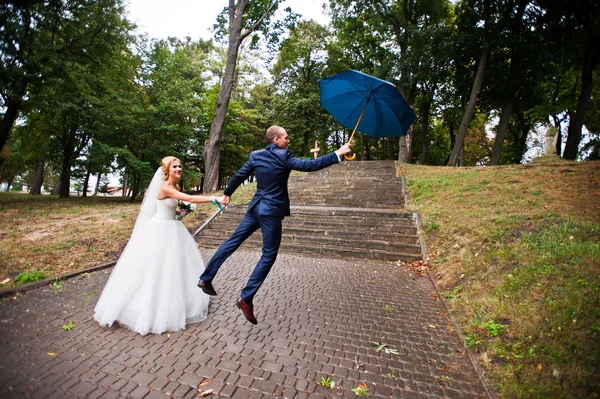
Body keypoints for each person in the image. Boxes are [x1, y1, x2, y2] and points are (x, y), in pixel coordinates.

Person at [198, 126, 352, 324]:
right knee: (269, 254)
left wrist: (228, 193)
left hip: (255, 208)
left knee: (232, 241)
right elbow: (311, 166)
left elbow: (239, 175)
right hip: (271, 212)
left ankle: (206, 277)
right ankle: (246, 297)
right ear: (276, 139)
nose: (288, 140)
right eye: (286, 137)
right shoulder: (284, 156)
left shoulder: (256, 156)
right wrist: (338, 153)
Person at [94, 156, 223, 335]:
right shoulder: (165, 187)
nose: (178, 169)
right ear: (166, 170)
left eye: (180, 166)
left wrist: (181, 212)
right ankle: (144, 309)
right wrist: (214, 198)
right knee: (153, 268)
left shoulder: (175, 187)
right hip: (160, 230)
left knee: (174, 267)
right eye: (174, 166)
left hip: (173, 227)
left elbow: (170, 207)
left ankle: (176, 303)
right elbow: (190, 198)